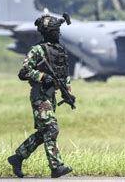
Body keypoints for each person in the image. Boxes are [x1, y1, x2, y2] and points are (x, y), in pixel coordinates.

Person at [8, 13, 75, 179]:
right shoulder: (37, 50)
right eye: (55, 31)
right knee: (52, 129)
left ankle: (17, 157)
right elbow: (23, 72)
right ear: (48, 32)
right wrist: (43, 77)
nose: (58, 34)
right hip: (40, 96)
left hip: (51, 97)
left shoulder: (59, 51)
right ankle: (56, 167)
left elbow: (64, 73)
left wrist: (68, 93)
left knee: (44, 133)